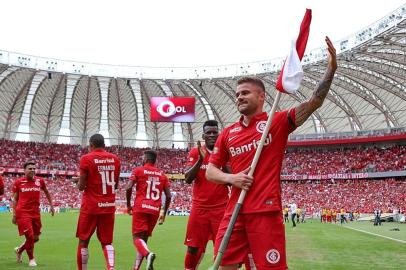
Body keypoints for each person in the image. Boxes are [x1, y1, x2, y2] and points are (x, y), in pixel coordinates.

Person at [206, 37, 337, 269]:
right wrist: (231, 178)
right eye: (237, 95)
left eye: (245, 93)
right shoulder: (228, 133)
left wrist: (331, 69)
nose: (239, 97)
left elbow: (314, 102)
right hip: (234, 211)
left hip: (265, 212)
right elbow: (211, 171)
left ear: (262, 97)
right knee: (222, 265)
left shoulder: (276, 122)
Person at [183, 120, 229, 270]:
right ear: (203, 135)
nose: (211, 135)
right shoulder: (196, 152)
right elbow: (188, 179)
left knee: (223, 249)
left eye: (214, 132)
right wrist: (200, 161)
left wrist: (223, 161)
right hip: (200, 208)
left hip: (221, 209)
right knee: (192, 248)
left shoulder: (225, 151)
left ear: (219, 134)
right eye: (208, 132)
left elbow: (231, 180)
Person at [74, 134, 121, 270]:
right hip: (108, 206)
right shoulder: (115, 159)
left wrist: (78, 181)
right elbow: (115, 185)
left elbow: (82, 187)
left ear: (91, 145)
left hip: (91, 206)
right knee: (107, 242)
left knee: (83, 241)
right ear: (104, 145)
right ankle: (111, 267)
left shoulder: (86, 158)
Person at [126, 150, 171, 270]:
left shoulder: (138, 170)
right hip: (154, 210)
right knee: (143, 241)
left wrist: (128, 205)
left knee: (136, 238)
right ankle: (136, 268)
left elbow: (129, 187)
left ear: (146, 159)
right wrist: (164, 213)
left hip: (141, 207)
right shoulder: (162, 174)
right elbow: (169, 196)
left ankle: (148, 255)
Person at [12, 161, 55, 267]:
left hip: (35, 213)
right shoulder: (19, 182)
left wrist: (51, 205)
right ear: (24, 170)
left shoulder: (40, 181)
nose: (32, 170)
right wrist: (14, 214)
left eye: (33, 168)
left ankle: (19, 250)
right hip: (22, 213)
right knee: (30, 237)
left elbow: (47, 192)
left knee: (35, 238)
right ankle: (31, 259)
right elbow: (15, 199)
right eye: (30, 168)